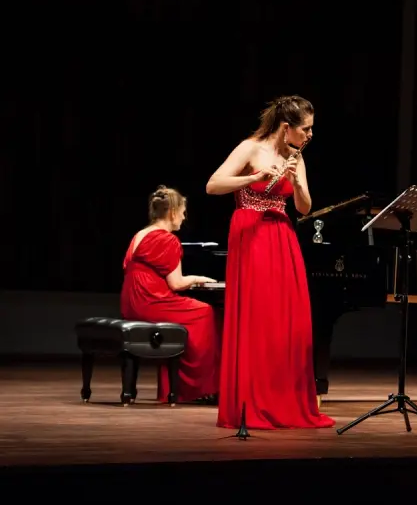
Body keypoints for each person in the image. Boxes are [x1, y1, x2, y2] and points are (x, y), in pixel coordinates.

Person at [206, 95, 335, 430]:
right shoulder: (250, 148)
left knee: (285, 321)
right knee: (257, 316)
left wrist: (296, 182)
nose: (310, 135)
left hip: (282, 236)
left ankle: (282, 400)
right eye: (305, 129)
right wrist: (253, 177)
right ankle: (250, 402)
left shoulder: (296, 156)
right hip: (250, 233)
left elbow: (304, 208)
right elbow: (213, 186)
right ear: (286, 127)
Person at [120, 185, 221, 404]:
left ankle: (175, 385)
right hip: (151, 299)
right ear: (172, 212)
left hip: (132, 300)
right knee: (205, 312)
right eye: (183, 212)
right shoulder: (168, 240)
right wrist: (197, 278)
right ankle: (197, 388)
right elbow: (176, 283)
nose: (184, 218)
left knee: (191, 315)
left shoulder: (141, 233)